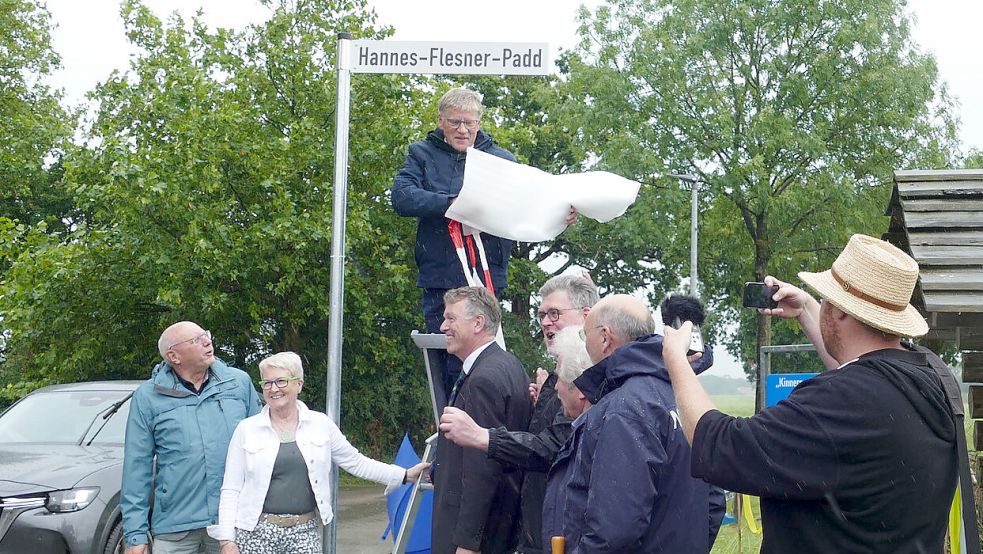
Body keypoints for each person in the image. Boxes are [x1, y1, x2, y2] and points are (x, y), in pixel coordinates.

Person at [662, 234, 961, 553]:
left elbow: (720, 444)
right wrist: (806, 308)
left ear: (842, 311)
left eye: (826, 298)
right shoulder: (932, 376)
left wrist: (677, 361)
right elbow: (857, 371)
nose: (823, 306)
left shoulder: (841, 400)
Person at [392, 87, 576, 395]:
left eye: (469, 122)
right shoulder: (421, 154)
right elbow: (402, 197)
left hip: (487, 276)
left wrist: (560, 213)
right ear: (441, 121)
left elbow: (528, 203)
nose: (462, 130)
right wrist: (453, 204)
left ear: (479, 122)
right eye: (454, 122)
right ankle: (449, 422)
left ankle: (482, 422)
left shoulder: (501, 160)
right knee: (447, 353)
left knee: (483, 355)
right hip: (441, 277)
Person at [438, 274, 598, 554]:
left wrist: (483, 437)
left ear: (586, 315)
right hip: (533, 531)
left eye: (555, 313)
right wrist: (544, 406)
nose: (546, 322)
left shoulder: (590, 375)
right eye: (542, 315)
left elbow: (553, 447)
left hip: (555, 535)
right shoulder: (548, 375)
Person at [208, 352, 429, 554]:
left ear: (299, 384)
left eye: (281, 381)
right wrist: (227, 541)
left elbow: (356, 462)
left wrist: (403, 475)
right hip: (255, 532)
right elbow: (231, 488)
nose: (273, 389)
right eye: (267, 383)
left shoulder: (321, 424)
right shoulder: (246, 429)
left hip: (304, 532)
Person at [557, 295, 719, 553]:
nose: (584, 343)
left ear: (604, 337)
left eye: (584, 335)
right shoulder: (687, 398)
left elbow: (615, 529)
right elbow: (713, 500)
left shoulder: (625, 408)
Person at [122, 322, 262, 554]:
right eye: (196, 340)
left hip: (231, 523)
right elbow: (137, 468)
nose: (207, 342)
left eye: (206, 335)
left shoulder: (238, 383)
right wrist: (135, 536)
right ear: (173, 356)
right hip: (175, 527)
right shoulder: (148, 397)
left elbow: (262, 450)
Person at [432, 287, 533, 554]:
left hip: (471, 538)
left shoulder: (483, 380)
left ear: (478, 323)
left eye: (451, 318)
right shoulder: (511, 365)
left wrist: (468, 542)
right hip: (500, 527)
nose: (443, 326)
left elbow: (481, 469)